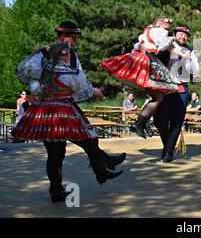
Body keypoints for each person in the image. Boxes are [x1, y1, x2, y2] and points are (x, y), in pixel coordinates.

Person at [12, 21, 125, 203]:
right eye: (69, 36)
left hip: (56, 106)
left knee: (75, 144)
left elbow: (75, 81)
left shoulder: (58, 55)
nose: (72, 40)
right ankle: (100, 169)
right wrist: (41, 89)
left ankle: (91, 173)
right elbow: (68, 82)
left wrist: (41, 89)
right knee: (75, 145)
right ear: (63, 36)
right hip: (55, 108)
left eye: (73, 37)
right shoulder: (56, 54)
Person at [101, 16, 190, 139]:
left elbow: (141, 43)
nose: (169, 25)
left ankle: (140, 123)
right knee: (159, 96)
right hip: (150, 62)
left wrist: (139, 46)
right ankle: (140, 123)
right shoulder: (161, 32)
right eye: (167, 23)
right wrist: (181, 51)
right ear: (160, 23)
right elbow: (164, 46)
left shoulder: (147, 31)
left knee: (157, 96)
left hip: (142, 60)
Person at [153, 24, 200, 162]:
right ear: (175, 34)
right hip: (164, 87)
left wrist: (187, 58)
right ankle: (167, 146)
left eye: (186, 35)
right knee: (159, 121)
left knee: (177, 121)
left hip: (181, 88)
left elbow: (194, 70)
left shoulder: (190, 51)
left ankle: (168, 152)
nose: (183, 36)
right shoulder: (165, 46)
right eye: (181, 33)